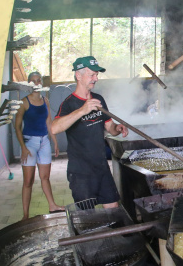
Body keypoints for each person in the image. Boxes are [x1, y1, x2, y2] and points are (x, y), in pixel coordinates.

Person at [50, 56, 128, 209]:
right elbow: (54, 128)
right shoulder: (69, 103)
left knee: (114, 212)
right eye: (92, 75)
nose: (96, 79)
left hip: (101, 168)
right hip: (81, 173)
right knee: (88, 219)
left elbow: (109, 127)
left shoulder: (98, 99)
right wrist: (82, 111)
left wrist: (117, 128)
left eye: (97, 75)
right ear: (78, 76)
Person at [15, 71, 64, 219]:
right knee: (28, 181)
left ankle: (52, 205)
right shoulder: (24, 102)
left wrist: (54, 142)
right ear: (29, 84)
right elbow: (17, 127)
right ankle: (25, 215)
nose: (37, 83)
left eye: (39, 80)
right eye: (33, 81)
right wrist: (23, 147)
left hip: (44, 142)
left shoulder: (45, 100)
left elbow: (49, 122)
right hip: (29, 143)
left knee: (45, 177)